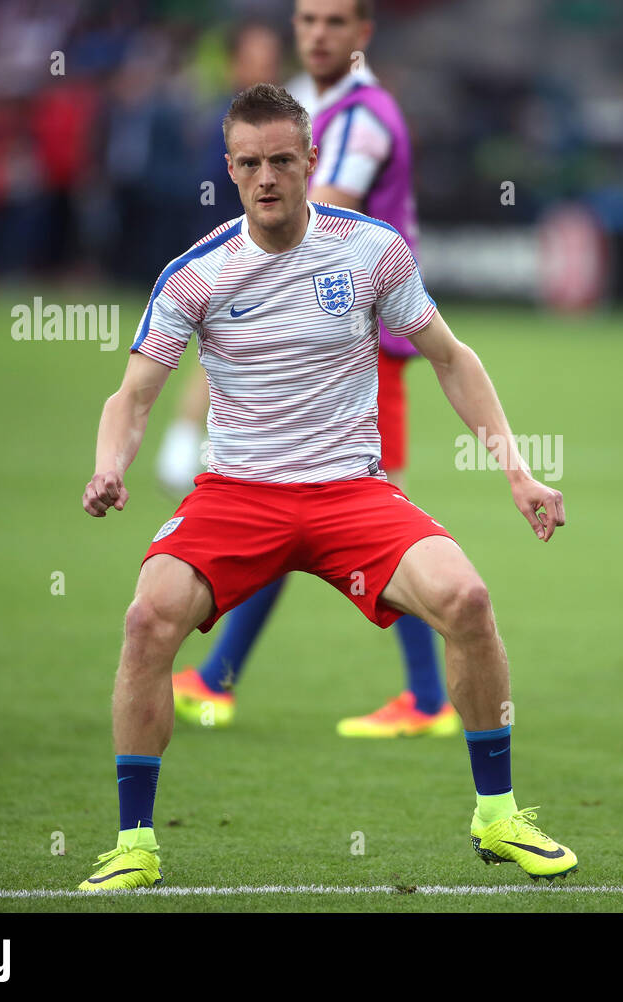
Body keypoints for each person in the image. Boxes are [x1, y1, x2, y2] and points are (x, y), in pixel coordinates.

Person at [78, 84, 577, 890]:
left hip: (350, 492)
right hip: (237, 493)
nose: (267, 177)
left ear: (311, 161)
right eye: (249, 163)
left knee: (470, 602)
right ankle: (136, 841)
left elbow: (451, 356)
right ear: (231, 170)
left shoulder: (371, 250)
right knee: (146, 621)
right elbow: (130, 396)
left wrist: (515, 470)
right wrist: (110, 465)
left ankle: (499, 816)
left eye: (282, 160)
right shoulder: (195, 275)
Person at [162, 0, 454, 737]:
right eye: (307, 20)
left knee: (351, 508)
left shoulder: (361, 119)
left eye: (335, 22)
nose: (318, 34)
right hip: (344, 342)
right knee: (302, 499)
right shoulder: (318, 110)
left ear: (364, 34)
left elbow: (314, 233)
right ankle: (219, 677)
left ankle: (424, 698)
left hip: (356, 347)